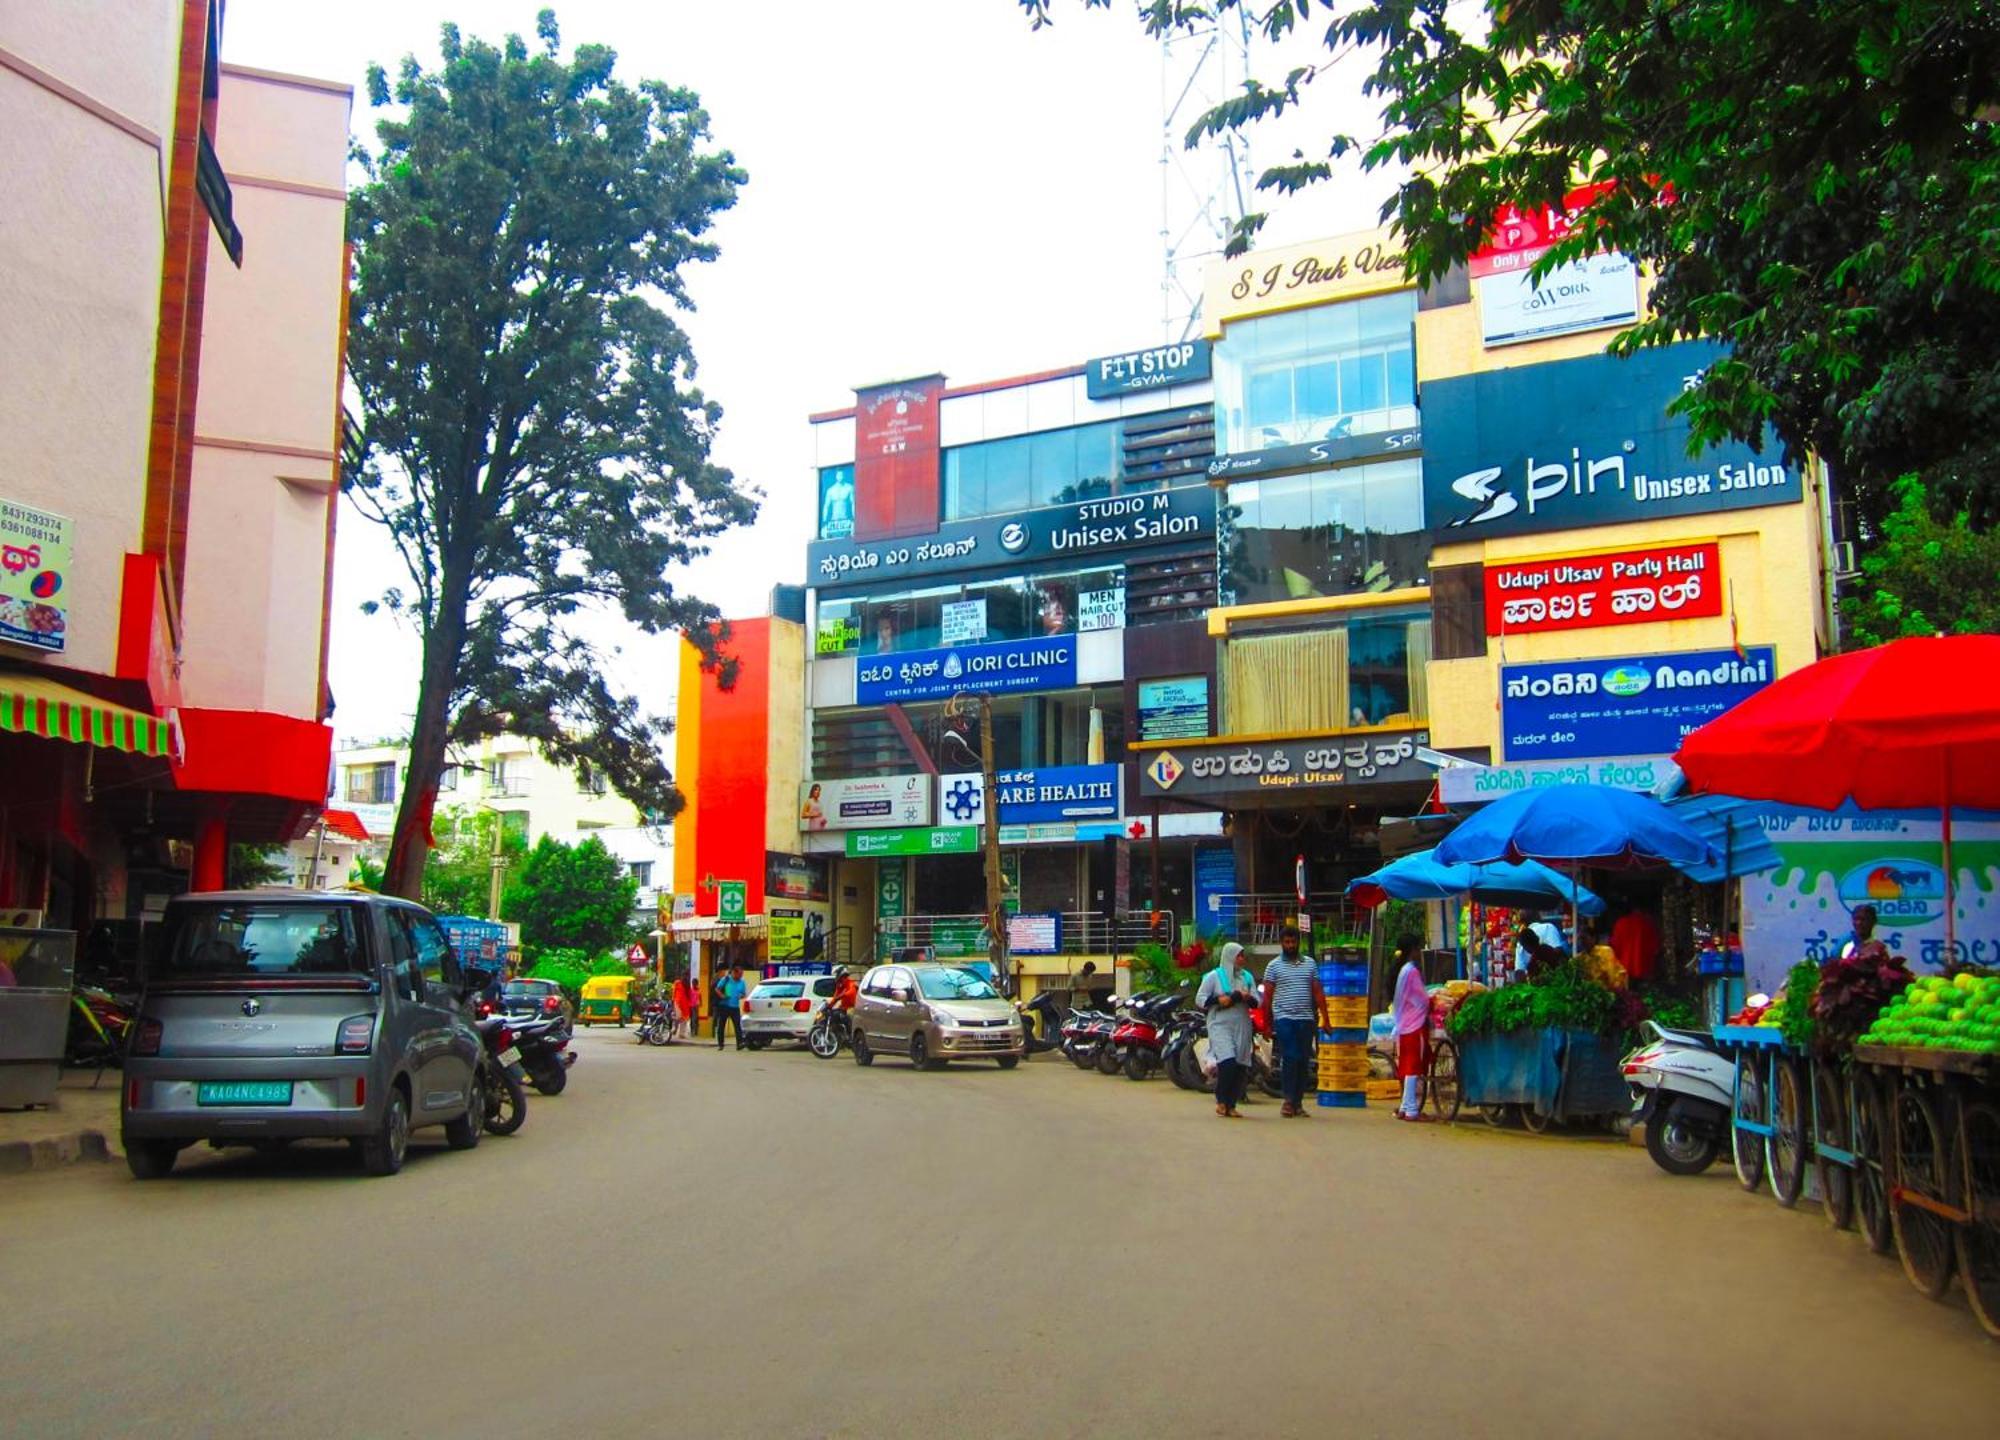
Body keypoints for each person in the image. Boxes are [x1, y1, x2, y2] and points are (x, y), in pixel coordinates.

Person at [1260, 922, 1329, 1118]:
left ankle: (1298, 1102)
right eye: (1287, 942)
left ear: (1299, 942)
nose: (1290, 945)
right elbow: (1267, 998)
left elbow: (1318, 992)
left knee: (1303, 1060)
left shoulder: (1310, 964)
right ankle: (1288, 1101)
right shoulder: (1273, 966)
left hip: (1306, 1019)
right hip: (1284, 1019)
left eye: (1293, 941)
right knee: (1290, 1057)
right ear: (1282, 943)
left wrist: (1327, 1019)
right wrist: (1267, 1024)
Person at [1197, 941, 1259, 1119]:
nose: (1242, 959)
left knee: (1240, 1064)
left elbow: (1257, 1001)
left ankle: (1231, 1104)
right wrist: (1219, 1000)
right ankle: (1221, 1100)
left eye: (1242, 955)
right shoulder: (1214, 976)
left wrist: (1246, 997)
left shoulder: (1246, 977)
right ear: (1230, 957)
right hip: (1220, 1023)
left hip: (1241, 1023)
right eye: (1238, 955)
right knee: (1228, 1061)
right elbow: (1201, 999)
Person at [1391, 936, 1433, 1123]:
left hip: (1405, 1025)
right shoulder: (1412, 972)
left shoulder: (1403, 971)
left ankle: (1405, 1106)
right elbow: (1422, 999)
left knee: (1408, 1066)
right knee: (1413, 1067)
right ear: (1412, 950)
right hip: (1415, 1024)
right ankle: (1411, 1109)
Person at [1610, 901, 1662, 983]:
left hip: (1624, 967)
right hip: (1644, 968)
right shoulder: (1648, 923)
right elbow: (1655, 949)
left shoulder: (1620, 923)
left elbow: (1615, 946)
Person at [714, 964, 747, 1050]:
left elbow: (744, 993)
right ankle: (721, 1044)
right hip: (724, 1005)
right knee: (721, 1025)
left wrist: (741, 996)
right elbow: (717, 989)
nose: (740, 976)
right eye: (739, 975)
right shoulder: (726, 979)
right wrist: (722, 996)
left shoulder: (742, 982)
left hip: (735, 1006)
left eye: (741, 975)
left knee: (737, 1025)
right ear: (734, 973)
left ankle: (739, 1043)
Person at [672, 971, 698, 1040]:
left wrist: (689, 1003)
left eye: (687, 976)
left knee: (684, 1019)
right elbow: (674, 992)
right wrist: (673, 1000)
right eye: (684, 975)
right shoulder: (677, 982)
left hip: (685, 1004)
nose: (685, 977)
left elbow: (689, 994)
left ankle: (682, 1033)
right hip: (677, 1002)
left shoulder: (687, 985)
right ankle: (674, 1028)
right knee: (679, 1016)